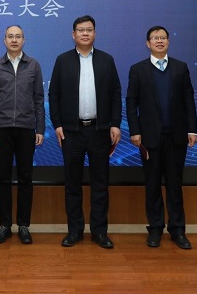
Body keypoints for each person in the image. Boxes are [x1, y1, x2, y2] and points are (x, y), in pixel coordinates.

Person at [48, 15, 122, 249]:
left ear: (95, 34)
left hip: (100, 131)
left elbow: (115, 93)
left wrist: (115, 124)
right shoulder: (63, 60)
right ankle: (74, 231)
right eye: (81, 30)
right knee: (72, 184)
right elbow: (54, 94)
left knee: (100, 183)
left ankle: (99, 232)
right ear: (73, 35)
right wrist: (57, 124)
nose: (85, 33)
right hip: (72, 132)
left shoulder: (106, 60)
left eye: (89, 30)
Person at [125, 25, 197, 250]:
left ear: (168, 41)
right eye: (155, 38)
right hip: (149, 138)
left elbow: (189, 99)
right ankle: (155, 229)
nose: (159, 41)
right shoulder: (138, 70)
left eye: (163, 37)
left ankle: (178, 230)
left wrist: (192, 129)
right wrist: (135, 131)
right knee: (153, 184)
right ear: (147, 43)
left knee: (175, 185)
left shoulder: (180, 68)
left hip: (177, 137)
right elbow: (131, 102)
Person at [0, 25, 45, 245]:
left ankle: (24, 225)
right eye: (10, 36)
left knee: (25, 178)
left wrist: (40, 129)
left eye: (18, 36)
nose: (14, 40)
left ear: (24, 40)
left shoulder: (33, 65)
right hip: (1, 128)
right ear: (4, 40)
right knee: (3, 178)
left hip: (26, 128)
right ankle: (4, 225)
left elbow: (39, 99)